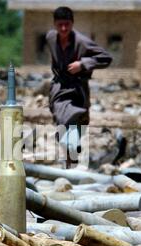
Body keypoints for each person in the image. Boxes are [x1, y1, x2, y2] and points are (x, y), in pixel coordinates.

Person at [45, 6, 112, 168]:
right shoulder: (50, 37)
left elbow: (106, 58)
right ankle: (70, 158)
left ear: (72, 24)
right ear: (54, 24)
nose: (63, 29)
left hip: (77, 90)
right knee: (64, 124)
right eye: (60, 25)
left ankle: (71, 166)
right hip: (60, 88)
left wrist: (83, 64)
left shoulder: (81, 41)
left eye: (67, 24)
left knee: (75, 123)